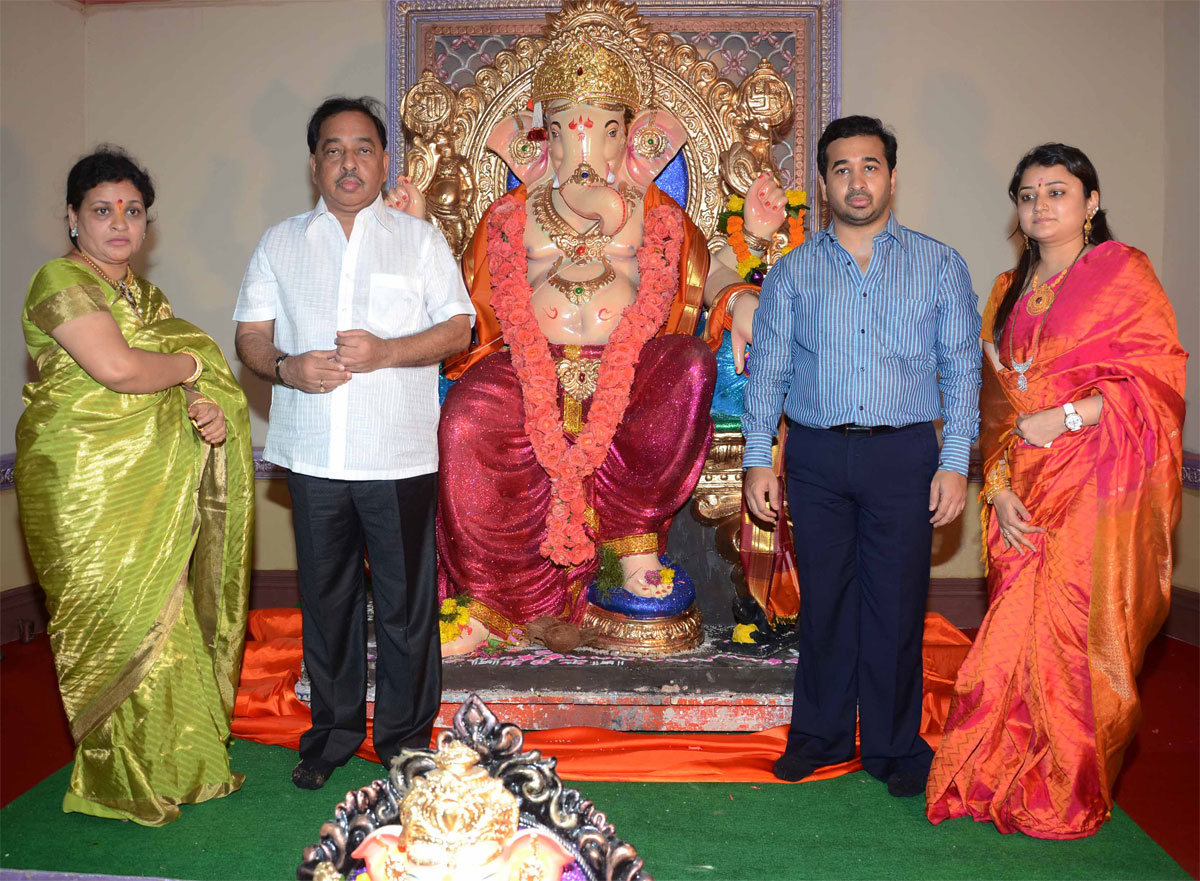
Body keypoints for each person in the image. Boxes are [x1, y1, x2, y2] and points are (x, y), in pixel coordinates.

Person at [426, 7, 792, 653]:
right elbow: (466, 297)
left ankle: (633, 548)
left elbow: (702, 276)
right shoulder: (512, 213)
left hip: (633, 362)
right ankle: (490, 600)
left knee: (687, 366)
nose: (583, 152)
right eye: (566, 132)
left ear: (633, 139)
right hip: (525, 363)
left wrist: (738, 291)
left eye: (604, 132)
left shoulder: (656, 213)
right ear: (544, 138)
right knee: (464, 421)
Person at [926, 144, 1186, 838]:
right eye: (1028, 194)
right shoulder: (1007, 289)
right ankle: (997, 772)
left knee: (1074, 639)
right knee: (1011, 636)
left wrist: (1068, 415)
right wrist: (999, 488)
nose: (1041, 205)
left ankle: (1065, 788)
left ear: (1091, 203)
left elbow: (1154, 380)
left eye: (1058, 191)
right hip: (1023, 489)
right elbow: (996, 407)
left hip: (1096, 481)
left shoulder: (1123, 274)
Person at [233, 97, 474, 790]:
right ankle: (332, 732)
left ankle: (403, 742)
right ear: (314, 164)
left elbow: (458, 329)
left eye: (363, 148)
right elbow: (250, 334)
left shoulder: (419, 240)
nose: (348, 162)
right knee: (328, 601)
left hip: (397, 458)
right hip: (312, 457)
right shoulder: (280, 242)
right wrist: (288, 368)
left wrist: (388, 350)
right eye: (333, 149)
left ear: (384, 161)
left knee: (404, 608)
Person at [742, 115, 982, 797]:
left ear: (892, 177)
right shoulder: (792, 273)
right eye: (842, 168)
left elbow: (963, 372)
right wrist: (760, 455)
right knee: (824, 603)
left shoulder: (940, 264)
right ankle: (817, 737)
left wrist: (955, 460)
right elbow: (770, 372)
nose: (857, 180)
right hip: (816, 456)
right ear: (822, 183)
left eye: (870, 166)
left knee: (898, 605)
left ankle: (893, 744)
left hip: (905, 453)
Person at [15, 148, 253, 826]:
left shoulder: (145, 299)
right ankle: (114, 778)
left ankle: (183, 767)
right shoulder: (58, 280)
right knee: (114, 624)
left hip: (150, 490)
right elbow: (119, 370)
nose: (119, 223)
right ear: (72, 217)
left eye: (133, 210)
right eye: (101, 209)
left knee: (165, 622)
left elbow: (164, 390)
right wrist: (192, 365)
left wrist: (203, 406)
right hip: (83, 487)